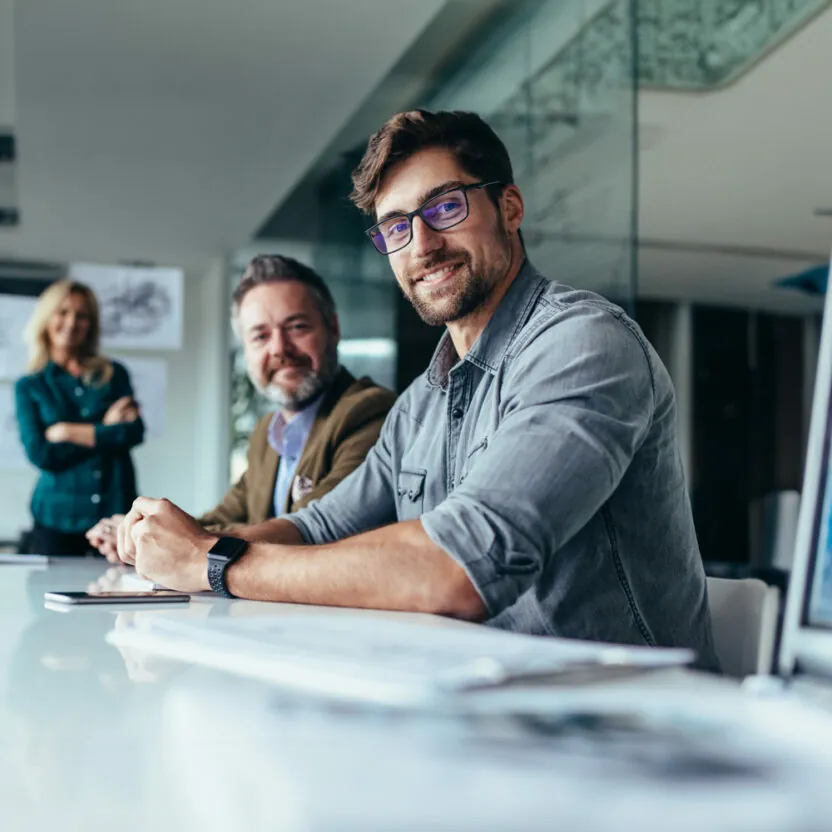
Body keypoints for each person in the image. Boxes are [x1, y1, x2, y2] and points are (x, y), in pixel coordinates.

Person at [114, 110, 718, 667]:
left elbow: (461, 568)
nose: (421, 245)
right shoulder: (421, 404)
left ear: (510, 206)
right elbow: (318, 527)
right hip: (482, 705)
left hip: (628, 733)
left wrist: (213, 564)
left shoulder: (582, 344)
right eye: (395, 227)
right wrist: (186, 540)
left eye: (446, 207)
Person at [88, 255, 396, 561]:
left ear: (333, 329)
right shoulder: (268, 432)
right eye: (260, 336)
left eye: (297, 326)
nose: (279, 349)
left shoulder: (368, 412)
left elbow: (313, 528)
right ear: (246, 349)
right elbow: (219, 518)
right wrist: (142, 533)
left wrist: (179, 541)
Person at [15, 280, 144, 556]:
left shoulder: (114, 374)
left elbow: (133, 433)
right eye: (63, 312)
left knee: (120, 594)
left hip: (114, 512)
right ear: (47, 318)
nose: (72, 322)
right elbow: (41, 454)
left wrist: (65, 431)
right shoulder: (30, 385)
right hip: (55, 518)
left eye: (82, 315)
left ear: (91, 323)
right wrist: (105, 428)